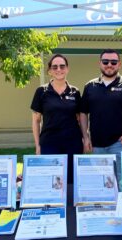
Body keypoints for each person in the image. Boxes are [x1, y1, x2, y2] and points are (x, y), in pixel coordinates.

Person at [80, 49, 122, 189]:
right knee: (101, 182)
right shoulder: (90, 86)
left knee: (121, 181)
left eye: (113, 62)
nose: (109, 65)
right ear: (100, 63)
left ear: (119, 64)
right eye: (105, 62)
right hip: (97, 145)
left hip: (121, 144)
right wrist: (86, 137)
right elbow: (83, 113)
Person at [31, 54, 83, 183]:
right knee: (51, 179)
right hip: (49, 143)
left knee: (71, 179)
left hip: (73, 143)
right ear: (49, 71)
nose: (58, 69)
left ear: (67, 69)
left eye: (62, 66)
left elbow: (80, 118)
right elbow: (36, 120)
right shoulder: (41, 91)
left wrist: (85, 137)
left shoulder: (75, 92)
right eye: (54, 67)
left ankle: (70, 203)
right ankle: (52, 204)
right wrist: (38, 145)